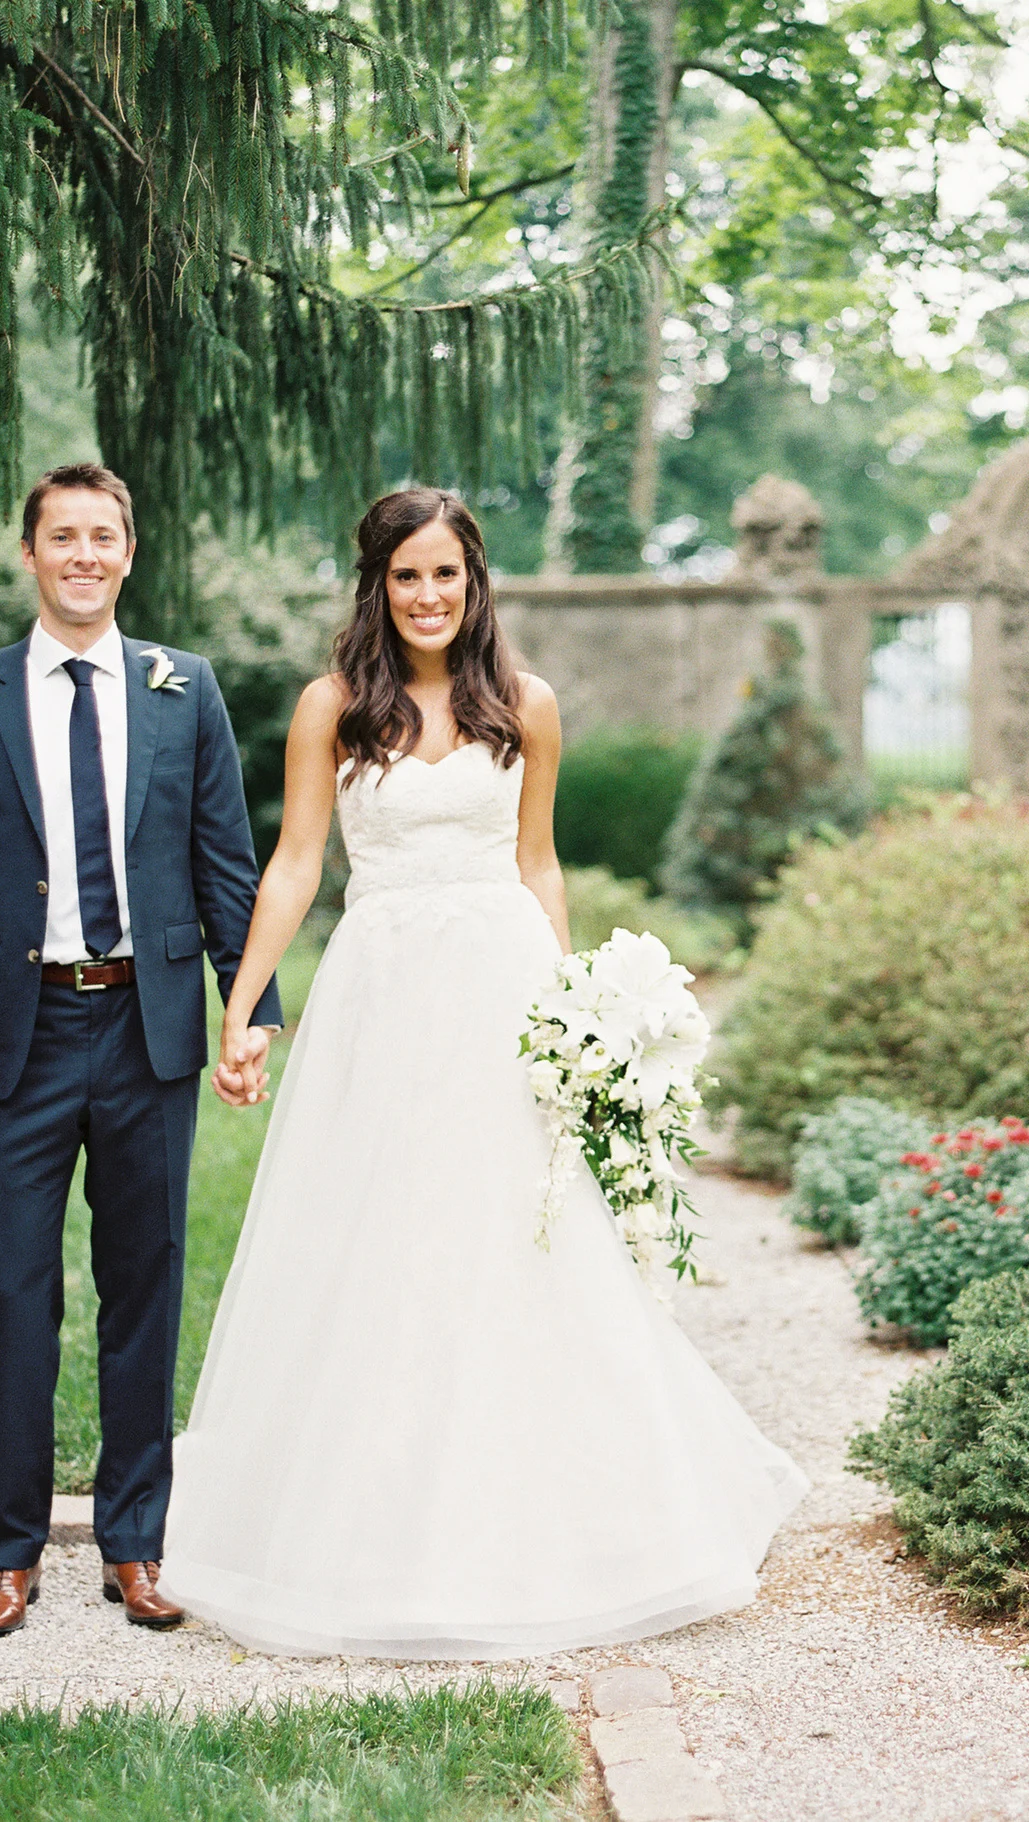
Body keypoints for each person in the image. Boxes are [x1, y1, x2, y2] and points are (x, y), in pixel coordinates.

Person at [161, 486, 808, 1657]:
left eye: (445, 574)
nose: (426, 596)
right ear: (377, 583)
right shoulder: (332, 708)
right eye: (405, 575)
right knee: (380, 1232)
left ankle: (567, 1513)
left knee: (518, 1232)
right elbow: (298, 863)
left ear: (475, 582)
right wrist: (246, 1005)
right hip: (381, 990)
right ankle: (372, 1521)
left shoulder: (525, 704)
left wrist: (576, 1010)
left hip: (502, 990)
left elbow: (539, 862)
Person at [0, 462, 282, 1637]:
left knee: (145, 1285)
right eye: (61, 536)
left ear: (130, 552)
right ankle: (9, 1548)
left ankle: (134, 1544)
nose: (82, 554)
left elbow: (227, 858)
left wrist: (250, 1009)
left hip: (146, 1029)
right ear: (31, 554)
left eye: (102, 536)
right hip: (17, 1038)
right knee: (10, 1288)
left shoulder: (186, 689)